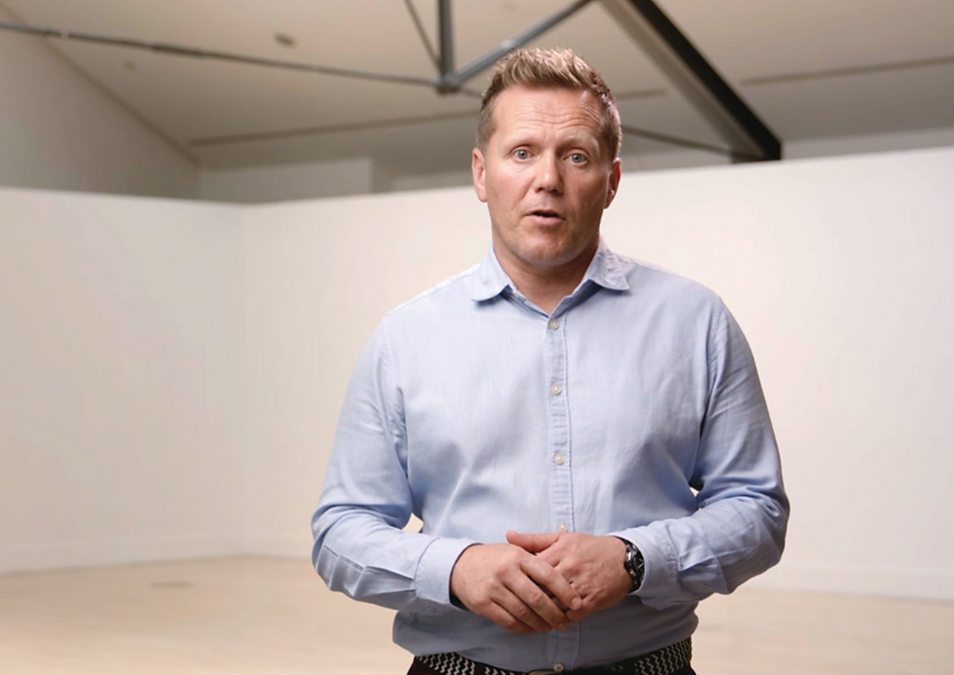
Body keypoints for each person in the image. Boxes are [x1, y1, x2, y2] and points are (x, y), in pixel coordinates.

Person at [311, 48, 788, 675]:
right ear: (481, 174)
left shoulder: (696, 322)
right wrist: (454, 568)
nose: (548, 179)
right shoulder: (405, 339)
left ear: (612, 181)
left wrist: (635, 559)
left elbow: (757, 510)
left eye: (577, 156)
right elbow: (341, 531)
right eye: (522, 152)